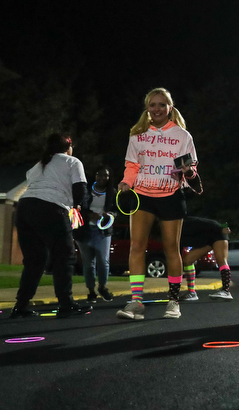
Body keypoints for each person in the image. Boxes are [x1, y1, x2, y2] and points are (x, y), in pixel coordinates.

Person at [116, 87, 200, 321]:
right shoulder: (137, 134)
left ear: (170, 108)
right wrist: (126, 182)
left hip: (171, 195)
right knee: (136, 246)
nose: (157, 109)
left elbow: (192, 170)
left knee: (171, 249)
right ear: (147, 108)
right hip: (143, 195)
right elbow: (132, 166)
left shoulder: (183, 136)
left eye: (161, 104)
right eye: (152, 105)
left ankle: (173, 302)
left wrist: (188, 171)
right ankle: (136, 303)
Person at [10, 133, 92, 319]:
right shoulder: (72, 162)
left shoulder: (37, 166)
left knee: (35, 260)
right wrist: (77, 205)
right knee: (64, 256)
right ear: (68, 147)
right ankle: (66, 304)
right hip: (51, 208)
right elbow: (80, 189)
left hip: (24, 208)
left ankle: (21, 305)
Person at [73, 165, 117, 304]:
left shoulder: (112, 192)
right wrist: (90, 215)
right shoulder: (86, 191)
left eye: (106, 175)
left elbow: (116, 211)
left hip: (103, 231)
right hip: (85, 231)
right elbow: (78, 209)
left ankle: (103, 287)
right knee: (88, 264)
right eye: (100, 174)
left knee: (103, 261)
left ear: (109, 178)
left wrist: (109, 215)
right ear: (95, 176)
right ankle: (91, 291)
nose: (102, 178)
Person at [179, 216, 234, 301]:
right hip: (204, 240)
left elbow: (208, 222)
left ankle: (226, 291)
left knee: (221, 261)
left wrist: (220, 228)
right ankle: (191, 293)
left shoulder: (185, 223)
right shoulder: (173, 232)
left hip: (218, 233)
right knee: (187, 261)